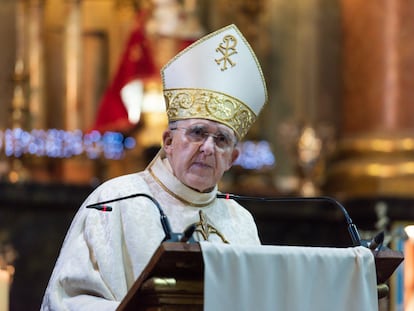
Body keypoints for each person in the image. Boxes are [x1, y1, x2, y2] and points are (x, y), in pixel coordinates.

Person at [41, 23, 268, 310]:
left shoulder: (241, 222)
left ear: (231, 158)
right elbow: (70, 301)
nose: (208, 148)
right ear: (168, 141)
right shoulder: (113, 201)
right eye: (197, 132)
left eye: (221, 139)